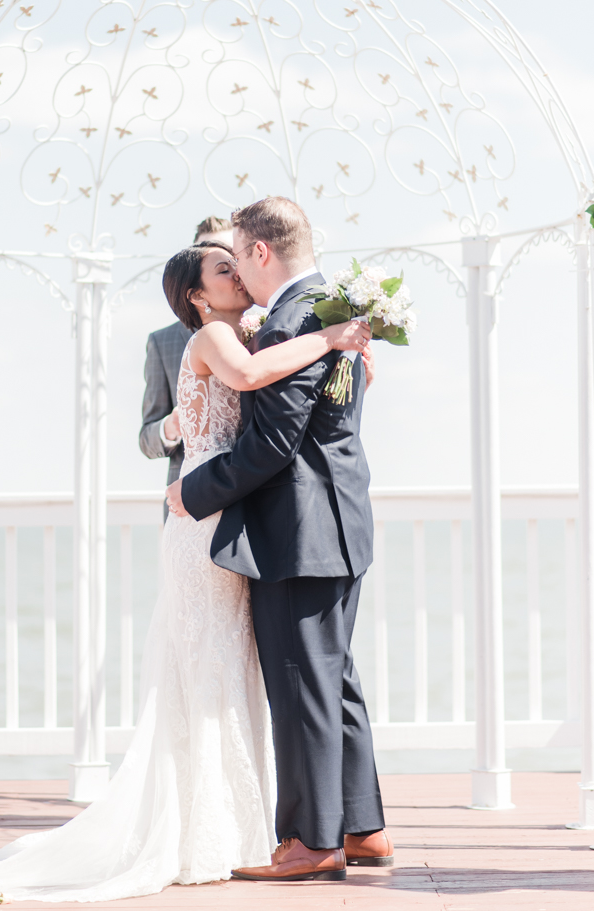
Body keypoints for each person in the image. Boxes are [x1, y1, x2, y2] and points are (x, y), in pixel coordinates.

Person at [0, 239, 368, 906]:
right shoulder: (218, 334)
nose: (238, 275)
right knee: (208, 666)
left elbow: (204, 414)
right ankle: (207, 830)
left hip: (216, 510)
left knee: (222, 667)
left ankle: (225, 826)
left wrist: (341, 354)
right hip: (206, 517)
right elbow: (243, 383)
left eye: (238, 263)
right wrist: (331, 335)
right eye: (224, 269)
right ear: (196, 293)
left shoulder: (231, 333)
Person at [166, 196, 393, 881]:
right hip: (340, 519)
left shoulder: (293, 321)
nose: (237, 270)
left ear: (261, 253)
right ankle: (361, 826)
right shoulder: (329, 311)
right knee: (332, 679)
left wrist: (192, 493)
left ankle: (310, 838)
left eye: (238, 255)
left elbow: (269, 444)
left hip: (297, 528)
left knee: (300, 683)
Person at [139, 216, 233, 516]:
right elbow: (146, 438)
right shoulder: (163, 342)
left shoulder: (265, 329)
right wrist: (172, 425)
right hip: (188, 502)